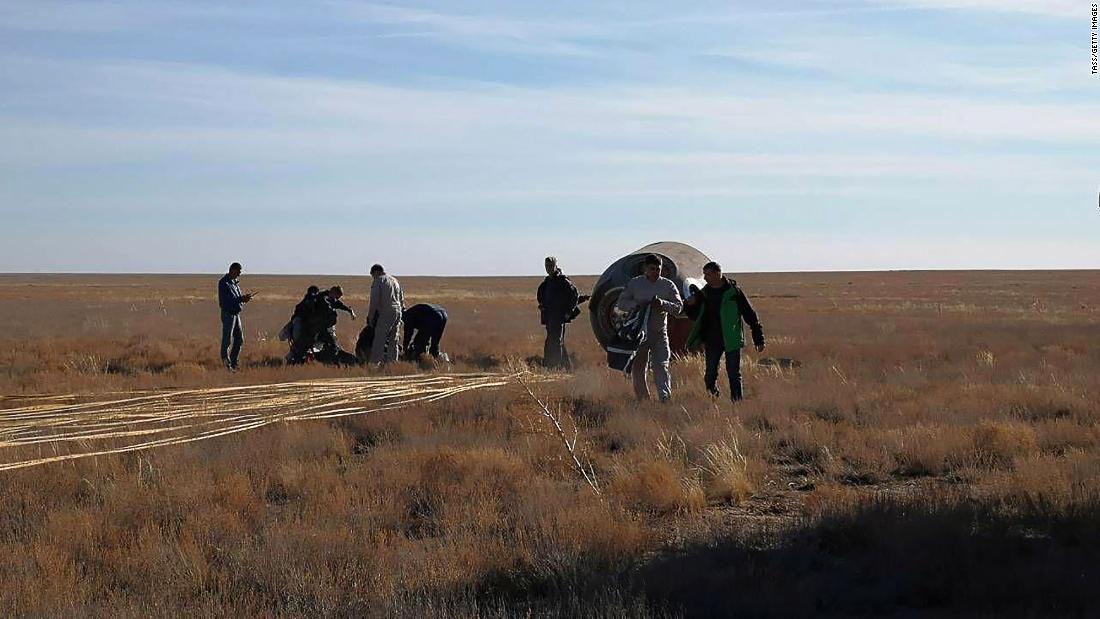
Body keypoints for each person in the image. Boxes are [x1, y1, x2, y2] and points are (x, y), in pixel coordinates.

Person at [684, 262, 766, 401]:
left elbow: (749, 315)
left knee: (734, 373)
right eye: (704, 274)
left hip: (732, 338)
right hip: (712, 339)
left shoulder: (734, 292)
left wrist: (758, 337)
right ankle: (713, 396)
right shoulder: (704, 293)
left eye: (708, 274)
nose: (705, 278)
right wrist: (689, 304)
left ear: (718, 273)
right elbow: (694, 315)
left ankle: (737, 402)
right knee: (710, 374)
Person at [614, 254, 683, 401]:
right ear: (645, 268)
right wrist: (636, 305)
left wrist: (663, 304)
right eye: (652, 269)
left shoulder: (668, 285)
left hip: (659, 333)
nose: (655, 272)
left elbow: (678, 308)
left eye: (658, 269)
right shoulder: (635, 284)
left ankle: (665, 398)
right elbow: (621, 303)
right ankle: (643, 399)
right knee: (638, 367)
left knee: (661, 366)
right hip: (639, 334)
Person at [537, 256, 580, 370]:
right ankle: (565, 367)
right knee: (553, 340)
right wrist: (542, 306)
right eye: (547, 266)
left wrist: (568, 312)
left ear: (555, 266)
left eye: (551, 266)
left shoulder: (563, 281)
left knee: (556, 341)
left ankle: (555, 367)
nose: (549, 268)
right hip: (549, 317)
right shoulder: (547, 282)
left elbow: (575, 296)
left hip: (559, 316)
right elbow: (541, 296)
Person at [217, 262, 253, 371]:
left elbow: (237, 299)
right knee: (227, 340)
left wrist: (243, 300)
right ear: (232, 270)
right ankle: (226, 364)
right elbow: (224, 302)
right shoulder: (224, 283)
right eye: (238, 271)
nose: (239, 274)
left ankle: (233, 362)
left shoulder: (235, 283)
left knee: (239, 339)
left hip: (236, 314)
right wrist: (240, 299)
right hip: (228, 314)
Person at [367, 264, 404, 364]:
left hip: (386, 312)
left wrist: (370, 316)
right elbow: (401, 299)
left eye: (372, 275)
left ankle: (374, 365)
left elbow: (374, 300)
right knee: (394, 340)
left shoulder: (379, 280)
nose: (373, 277)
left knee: (380, 339)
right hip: (398, 311)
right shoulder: (395, 280)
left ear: (376, 272)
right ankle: (392, 364)